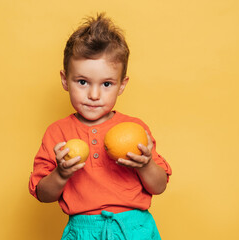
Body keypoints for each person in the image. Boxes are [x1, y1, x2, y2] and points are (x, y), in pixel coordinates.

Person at [29, 13, 172, 240]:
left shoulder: (134, 128)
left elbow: (159, 186)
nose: (94, 95)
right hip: (83, 231)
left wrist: (145, 165)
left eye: (106, 84)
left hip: (133, 230)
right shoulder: (57, 133)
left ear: (122, 85)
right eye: (82, 82)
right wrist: (61, 173)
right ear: (65, 80)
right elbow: (43, 194)